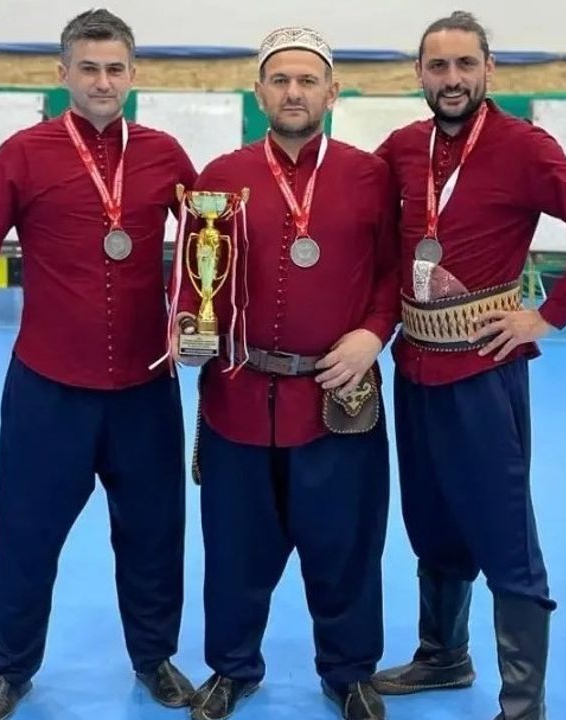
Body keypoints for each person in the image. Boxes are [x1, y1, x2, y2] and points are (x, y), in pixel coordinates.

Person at [0, 10, 198, 720]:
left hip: (145, 389)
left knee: (154, 537)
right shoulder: (23, 154)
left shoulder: (165, 156)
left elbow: (210, 245)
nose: (103, 81)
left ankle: (154, 658)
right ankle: (12, 669)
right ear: (62, 73)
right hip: (48, 391)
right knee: (25, 537)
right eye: (88, 68)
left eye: (115, 68)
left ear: (133, 75)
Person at [369, 11, 566, 720]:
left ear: (489, 68)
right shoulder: (402, 148)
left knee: (504, 530)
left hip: (484, 373)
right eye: (438, 66)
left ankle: (522, 705)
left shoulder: (524, 147)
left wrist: (547, 316)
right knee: (430, 521)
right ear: (420, 75)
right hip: (415, 368)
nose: (452, 79)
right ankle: (443, 656)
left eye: (465, 64)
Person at [167, 26, 399, 720]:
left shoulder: (369, 177)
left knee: (346, 546)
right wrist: (188, 326)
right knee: (234, 548)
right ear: (259, 92)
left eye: (307, 81)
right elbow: (192, 277)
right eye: (280, 81)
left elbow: (391, 274)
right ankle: (232, 668)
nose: (293, 92)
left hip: (338, 397)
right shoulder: (219, 178)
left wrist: (372, 334)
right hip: (238, 396)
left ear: (332, 92)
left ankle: (349, 673)